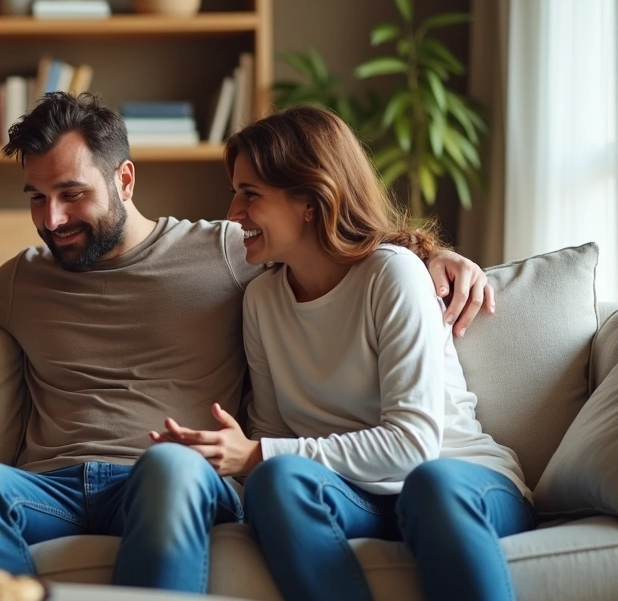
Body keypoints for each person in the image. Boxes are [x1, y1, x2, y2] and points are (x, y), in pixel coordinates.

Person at [0, 93, 495, 592]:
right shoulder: (25, 277)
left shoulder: (228, 252)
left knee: (173, 467)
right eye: (37, 199)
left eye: (72, 194)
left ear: (125, 178)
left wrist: (432, 255)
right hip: (47, 481)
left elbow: (332, 241)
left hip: (162, 472)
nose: (51, 218)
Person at [153, 105, 531, 601]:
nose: (233, 214)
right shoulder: (262, 301)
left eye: (250, 195)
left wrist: (257, 454)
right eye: (234, 193)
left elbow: (414, 444)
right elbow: (275, 437)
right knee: (277, 481)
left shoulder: (391, 274)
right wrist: (232, 462)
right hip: (360, 497)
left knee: (429, 484)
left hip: (460, 485)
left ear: (310, 200)